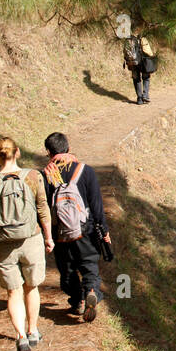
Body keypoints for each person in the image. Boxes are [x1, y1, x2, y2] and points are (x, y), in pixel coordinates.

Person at [0, 137, 54, 351]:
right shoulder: (33, 176)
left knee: (13, 292)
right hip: (31, 239)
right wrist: (48, 237)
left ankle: (21, 337)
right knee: (31, 287)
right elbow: (43, 209)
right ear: (18, 153)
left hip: (3, 244)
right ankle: (33, 331)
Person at [41, 132, 110, 322]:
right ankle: (91, 291)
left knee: (67, 269)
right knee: (89, 266)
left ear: (48, 152)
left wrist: (45, 235)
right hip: (85, 229)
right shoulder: (85, 171)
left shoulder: (45, 174)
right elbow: (96, 205)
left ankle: (77, 301)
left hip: (59, 231)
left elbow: (43, 207)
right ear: (68, 148)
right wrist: (103, 230)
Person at [122, 28, 158, 105]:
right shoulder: (142, 38)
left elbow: (125, 52)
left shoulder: (128, 40)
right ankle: (145, 95)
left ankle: (139, 99)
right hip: (142, 62)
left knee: (136, 79)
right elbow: (148, 51)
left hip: (133, 63)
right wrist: (152, 57)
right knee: (146, 77)